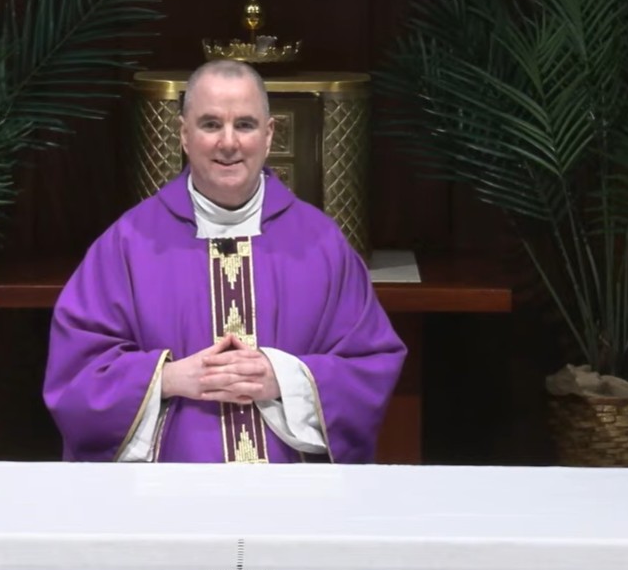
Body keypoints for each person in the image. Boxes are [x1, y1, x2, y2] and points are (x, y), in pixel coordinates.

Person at [44, 60, 406, 463]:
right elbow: (77, 376)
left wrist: (283, 378)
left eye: (245, 125)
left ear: (269, 135)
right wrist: (167, 379)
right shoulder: (128, 244)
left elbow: (369, 366)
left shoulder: (321, 244)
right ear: (184, 134)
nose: (228, 142)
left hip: (292, 489)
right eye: (211, 124)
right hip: (169, 487)